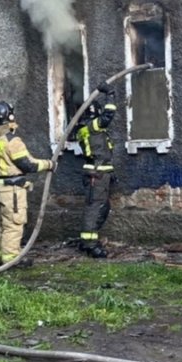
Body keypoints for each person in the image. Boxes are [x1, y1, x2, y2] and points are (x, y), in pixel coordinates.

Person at [0, 101, 54, 265]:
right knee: (14, 223)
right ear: (10, 117)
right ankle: (11, 259)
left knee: (4, 224)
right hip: (12, 189)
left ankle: (0, 256)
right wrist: (49, 164)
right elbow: (27, 164)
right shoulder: (11, 140)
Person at [74, 82, 119, 258]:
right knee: (94, 208)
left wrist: (110, 172)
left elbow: (100, 151)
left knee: (102, 206)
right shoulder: (92, 127)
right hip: (96, 175)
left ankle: (90, 240)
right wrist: (110, 93)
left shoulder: (84, 130)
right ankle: (89, 244)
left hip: (100, 172)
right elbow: (109, 114)